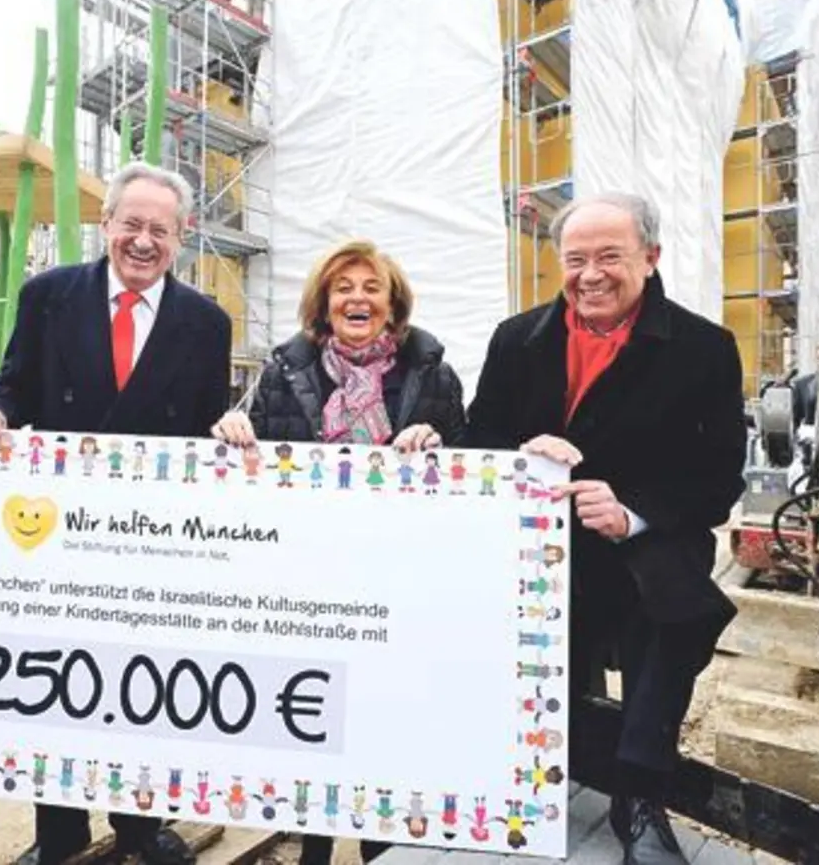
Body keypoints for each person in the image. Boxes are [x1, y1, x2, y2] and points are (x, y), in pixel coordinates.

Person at [462, 192, 746, 865]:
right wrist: (523, 455)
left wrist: (631, 514)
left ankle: (640, 797)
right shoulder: (515, 339)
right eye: (575, 259)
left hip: (647, 542)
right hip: (539, 542)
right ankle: (515, 773)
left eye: (610, 257)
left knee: (670, 609)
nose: (590, 275)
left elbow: (718, 480)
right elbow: (479, 439)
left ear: (650, 258)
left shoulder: (705, 348)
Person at [0, 161, 231, 865]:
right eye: (131, 224)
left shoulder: (207, 323)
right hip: (57, 530)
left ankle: (142, 826)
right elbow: (15, 382)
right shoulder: (49, 296)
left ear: (181, 237)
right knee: (57, 678)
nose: (143, 241)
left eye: (160, 230)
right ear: (105, 223)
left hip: (151, 536)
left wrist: (230, 432)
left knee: (143, 681)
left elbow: (204, 428)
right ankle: (59, 830)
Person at [210, 239, 465, 865]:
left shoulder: (433, 373)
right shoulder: (285, 372)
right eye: (343, 288)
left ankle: (383, 848)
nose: (358, 298)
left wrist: (440, 440)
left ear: (392, 304)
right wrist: (233, 432)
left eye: (372, 288)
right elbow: (254, 464)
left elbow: (472, 460)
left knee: (386, 717)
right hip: (310, 581)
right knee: (317, 718)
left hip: (401, 583)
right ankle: (315, 849)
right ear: (323, 304)